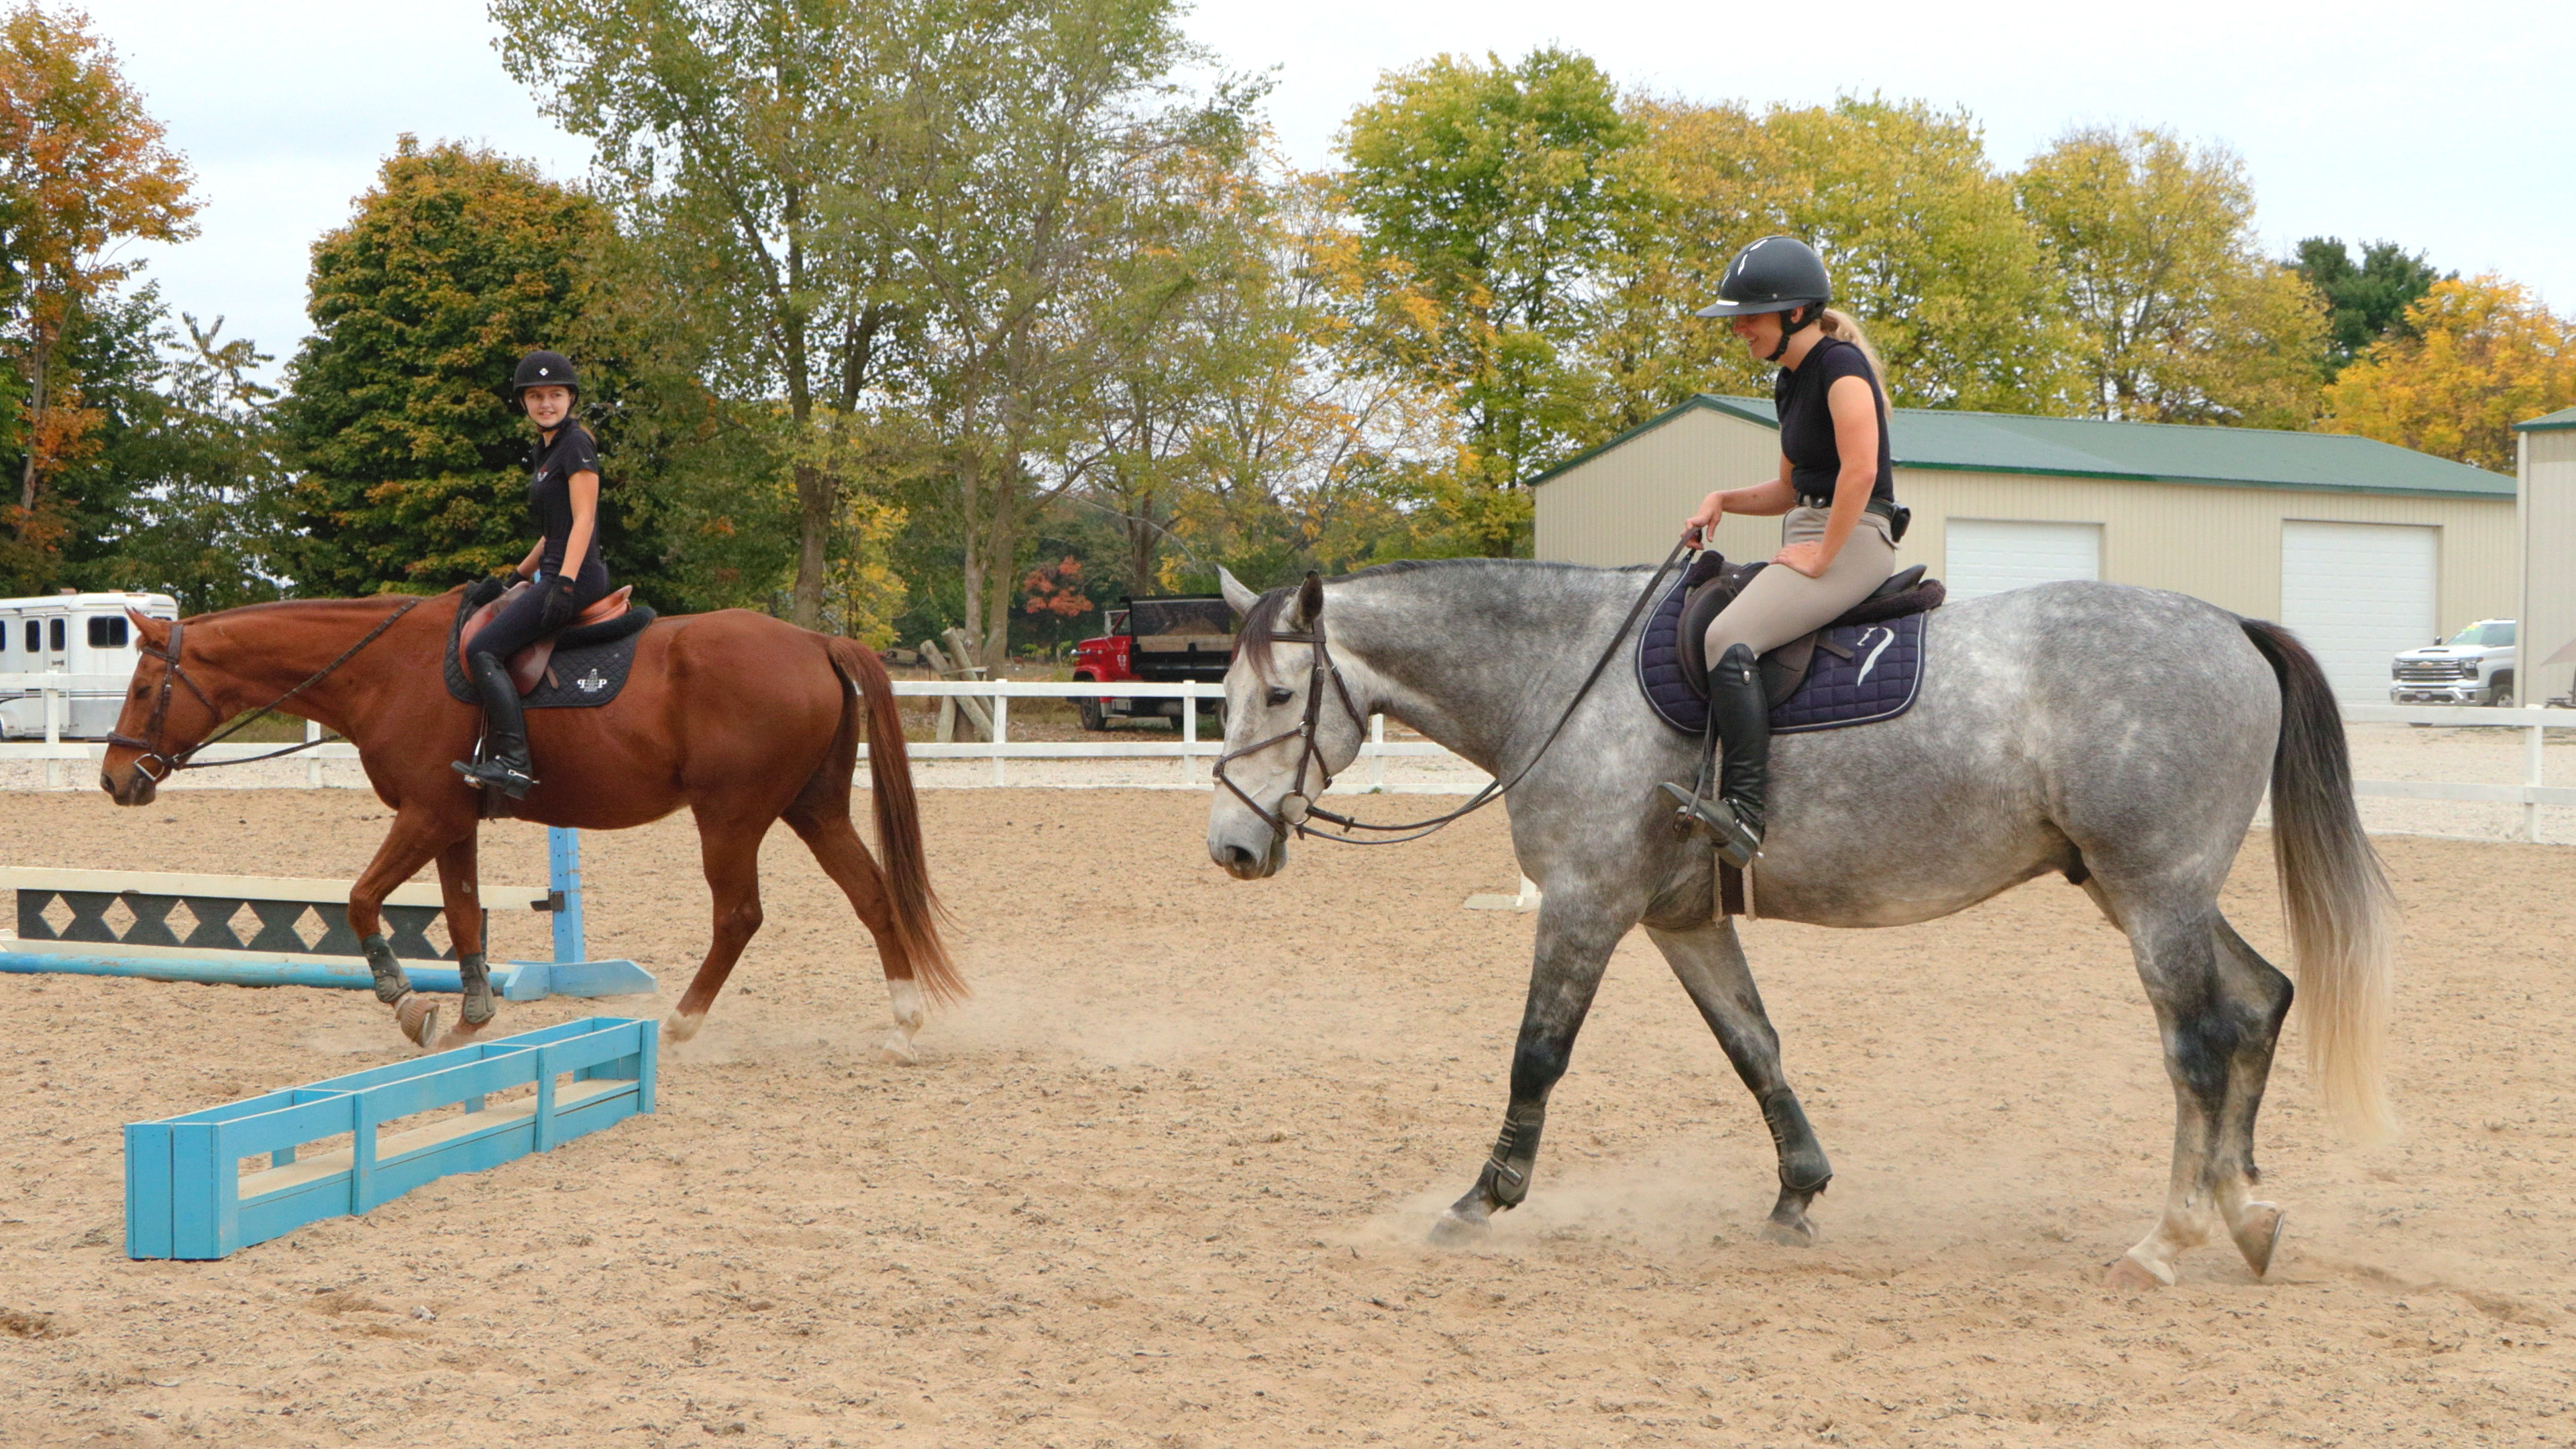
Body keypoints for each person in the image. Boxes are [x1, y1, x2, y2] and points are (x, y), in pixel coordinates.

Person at [1662, 236, 1902, 868]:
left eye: (1749, 316)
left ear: (1794, 312)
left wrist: (1822, 555)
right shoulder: (1789, 383)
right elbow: (1790, 489)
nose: (1739, 328)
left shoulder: (1841, 368)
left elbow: (1860, 471)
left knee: (1728, 636)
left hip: (1856, 539)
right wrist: (1721, 499)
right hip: (1811, 530)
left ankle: (1744, 815)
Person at [452, 350, 612, 798]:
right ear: (524, 402)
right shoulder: (545, 449)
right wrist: (510, 579)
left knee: (484, 648)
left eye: (556, 395)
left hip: (576, 577)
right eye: (537, 396)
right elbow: (552, 532)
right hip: (554, 570)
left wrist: (562, 582)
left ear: (570, 399)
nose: (547, 403)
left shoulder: (577, 444)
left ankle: (515, 764)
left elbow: (584, 520)